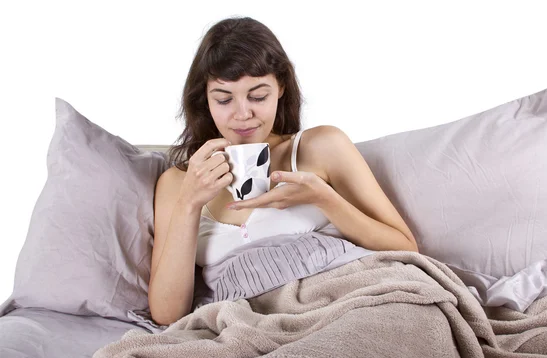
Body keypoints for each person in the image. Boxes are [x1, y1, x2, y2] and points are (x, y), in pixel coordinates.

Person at [149, 17, 419, 326]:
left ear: (281, 88)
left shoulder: (320, 146)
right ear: (204, 100)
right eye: (224, 99)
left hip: (353, 303)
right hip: (255, 325)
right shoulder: (177, 184)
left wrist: (325, 199)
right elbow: (167, 314)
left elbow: (405, 247)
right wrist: (189, 203)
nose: (242, 114)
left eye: (258, 96)